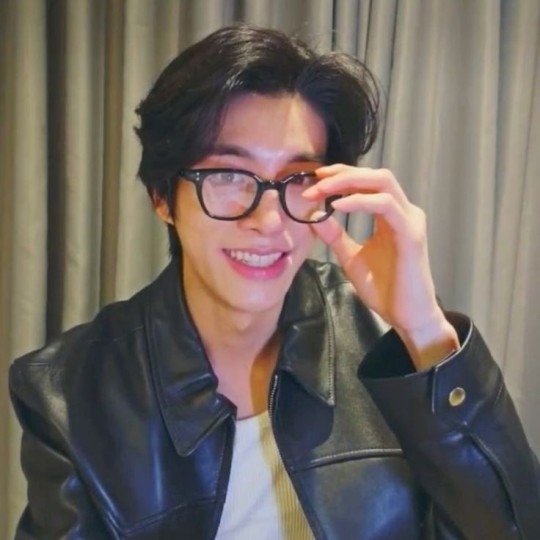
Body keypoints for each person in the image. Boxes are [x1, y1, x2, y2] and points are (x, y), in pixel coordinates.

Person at [9, 23, 540, 540]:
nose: (268, 220)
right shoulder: (69, 393)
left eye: (298, 179)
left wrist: (424, 330)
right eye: (228, 175)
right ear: (162, 197)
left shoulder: (390, 339)